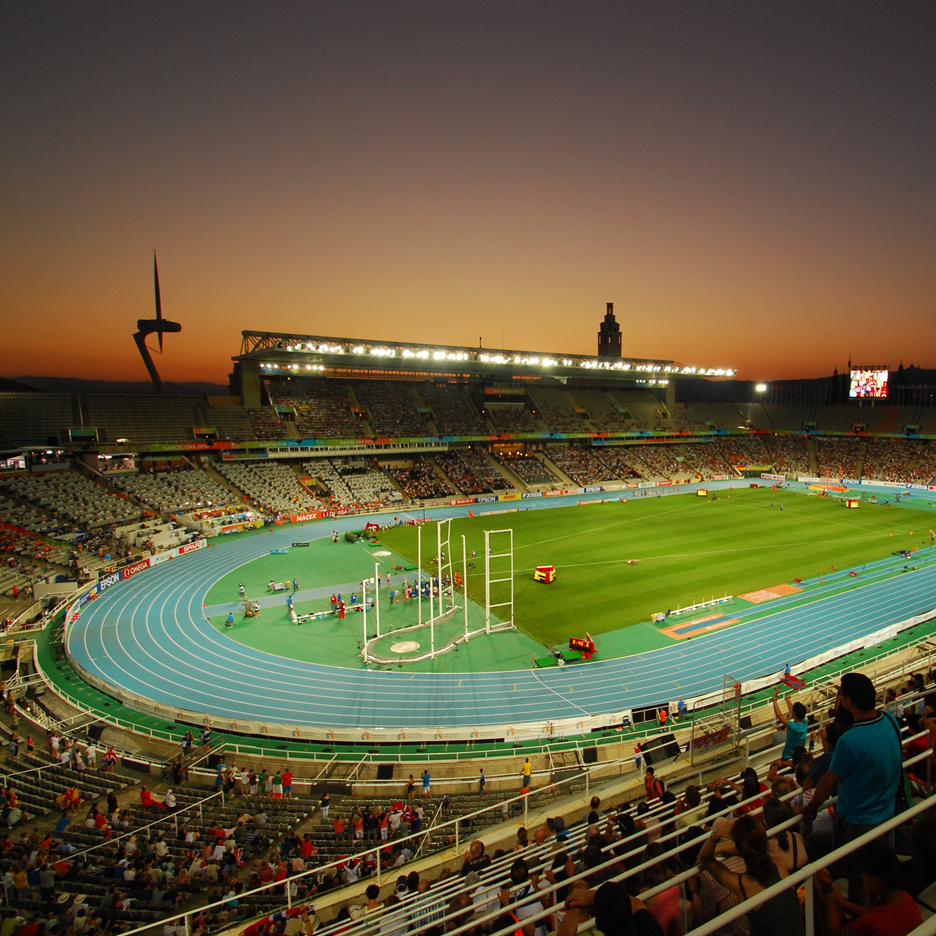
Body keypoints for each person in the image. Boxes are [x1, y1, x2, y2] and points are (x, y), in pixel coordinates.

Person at [800, 672, 902, 849]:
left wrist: (812, 807)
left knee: (856, 871)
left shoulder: (849, 741)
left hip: (858, 822)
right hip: (887, 812)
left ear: (849, 701)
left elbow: (828, 781)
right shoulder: (891, 721)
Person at [699, 815, 805, 936]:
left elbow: (705, 859)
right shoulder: (779, 862)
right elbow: (755, 850)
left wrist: (716, 835)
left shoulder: (744, 885)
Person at [816, 843, 922, 936]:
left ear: (876, 881)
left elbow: (836, 934)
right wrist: (841, 903)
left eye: (865, 875)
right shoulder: (907, 898)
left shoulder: (870, 923)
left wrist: (828, 891)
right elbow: (873, 912)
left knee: (815, 884)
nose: (862, 878)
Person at [772, 688, 809, 767]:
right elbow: (792, 710)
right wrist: (787, 700)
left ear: (794, 713)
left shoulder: (795, 727)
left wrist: (774, 699)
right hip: (798, 756)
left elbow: (779, 716)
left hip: (789, 758)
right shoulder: (804, 722)